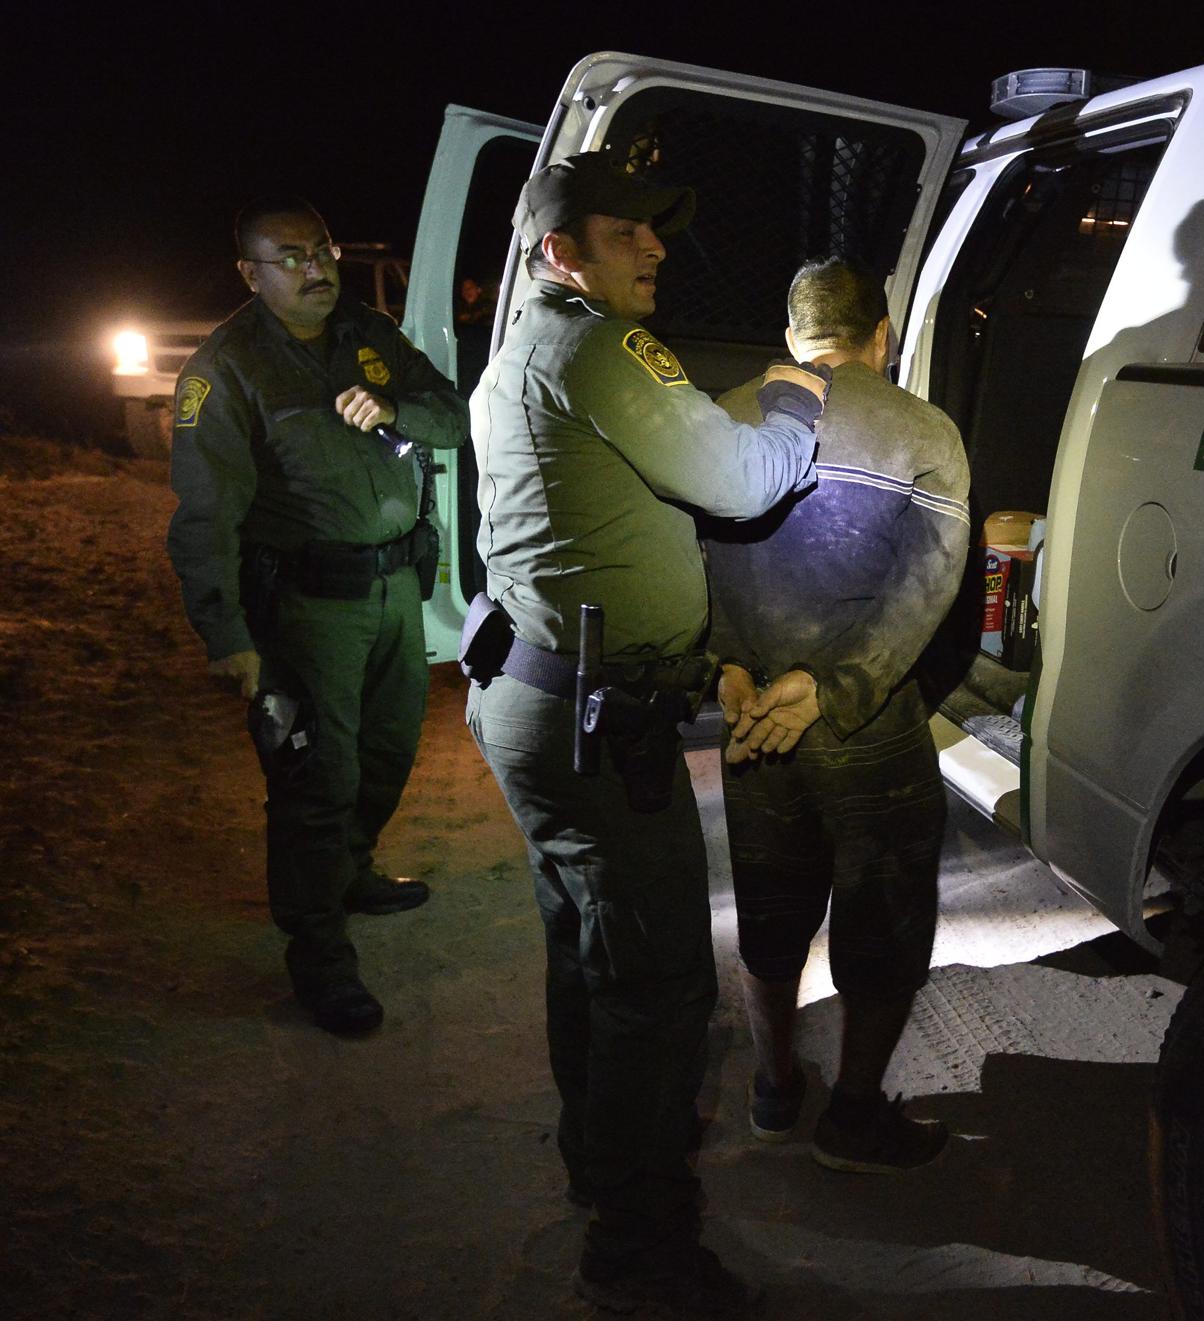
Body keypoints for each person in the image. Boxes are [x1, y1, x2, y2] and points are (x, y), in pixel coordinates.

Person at [464, 151, 827, 1318]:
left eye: (657, 229)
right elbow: (742, 482)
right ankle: (638, 1247)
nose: (657, 248)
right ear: (561, 251)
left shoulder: (524, 348)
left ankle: (600, 1165)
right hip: (593, 723)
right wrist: (795, 404)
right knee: (660, 985)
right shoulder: (597, 347)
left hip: (538, 697)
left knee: (591, 954)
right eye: (629, 232)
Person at [166, 196, 465, 1037]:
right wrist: (226, 634)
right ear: (249, 274)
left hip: (394, 591)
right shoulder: (226, 370)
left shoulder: (370, 335)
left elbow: (451, 416)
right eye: (291, 256)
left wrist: (396, 411)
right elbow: (204, 516)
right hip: (305, 609)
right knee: (314, 781)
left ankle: (351, 871)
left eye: (324, 249)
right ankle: (319, 953)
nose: (316, 268)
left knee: (387, 752)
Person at [706, 257, 971, 1173]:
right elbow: (929, 587)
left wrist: (727, 666)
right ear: (881, 336)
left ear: (792, 337)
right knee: (884, 925)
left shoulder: (723, 416)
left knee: (770, 911)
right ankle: (854, 1116)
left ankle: (774, 1087)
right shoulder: (924, 430)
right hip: (871, 731)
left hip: (753, 722)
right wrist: (836, 687)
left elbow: (692, 559)